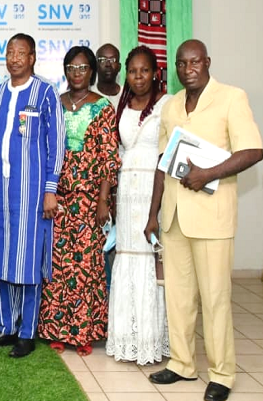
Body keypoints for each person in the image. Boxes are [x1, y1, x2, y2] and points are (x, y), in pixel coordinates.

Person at [145, 39, 262, 401]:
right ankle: (182, 364)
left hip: (212, 218)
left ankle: (222, 374)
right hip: (174, 218)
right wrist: (153, 212)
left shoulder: (231, 97)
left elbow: (253, 150)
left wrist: (208, 173)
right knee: (179, 298)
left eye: (195, 62)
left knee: (215, 300)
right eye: (182, 64)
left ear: (207, 62)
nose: (188, 69)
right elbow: (163, 161)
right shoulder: (171, 106)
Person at [0, 33, 65, 358]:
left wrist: (50, 190)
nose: (14, 58)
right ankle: (6, 327)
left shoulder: (45, 93)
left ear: (32, 58)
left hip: (32, 193)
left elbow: (56, 144)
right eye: (10, 52)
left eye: (21, 53)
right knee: (2, 260)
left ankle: (27, 333)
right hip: (1, 193)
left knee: (27, 263)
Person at [38, 46, 121, 356]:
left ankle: (84, 332)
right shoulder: (55, 104)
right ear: (65, 71)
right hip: (57, 197)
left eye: (83, 67)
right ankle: (57, 330)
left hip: (88, 199)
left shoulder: (102, 108)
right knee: (58, 264)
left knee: (86, 265)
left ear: (92, 72)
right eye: (71, 67)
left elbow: (109, 158)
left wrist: (103, 200)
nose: (77, 73)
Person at [105, 45, 171, 365]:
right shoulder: (123, 105)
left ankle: (150, 340)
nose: (139, 76)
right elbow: (118, 153)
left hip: (153, 190)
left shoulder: (166, 105)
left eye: (144, 70)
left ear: (155, 73)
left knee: (150, 261)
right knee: (127, 258)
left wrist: (154, 211)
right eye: (133, 71)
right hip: (126, 191)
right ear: (126, 75)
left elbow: (168, 155)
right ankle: (128, 339)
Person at [93, 43, 122, 108]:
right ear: (96, 66)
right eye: (103, 60)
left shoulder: (126, 96)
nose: (108, 64)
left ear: (119, 67)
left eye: (113, 60)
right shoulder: (88, 95)